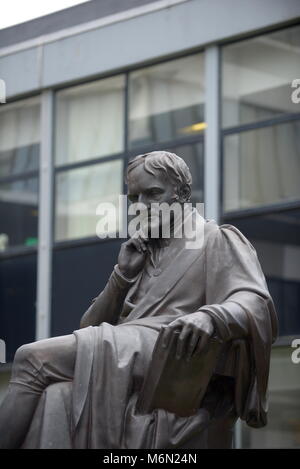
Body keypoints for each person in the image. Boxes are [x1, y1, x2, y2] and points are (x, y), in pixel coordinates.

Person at [0, 151, 278, 449]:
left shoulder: (215, 238)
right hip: (127, 348)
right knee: (56, 396)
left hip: (169, 347)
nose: (142, 206)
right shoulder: (141, 253)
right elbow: (88, 328)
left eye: (153, 194)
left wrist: (210, 317)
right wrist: (122, 276)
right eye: (134, 198)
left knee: (32, 358)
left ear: (182, 193)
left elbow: (255, 301)